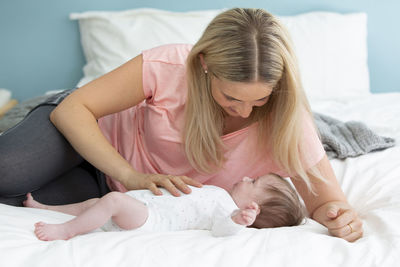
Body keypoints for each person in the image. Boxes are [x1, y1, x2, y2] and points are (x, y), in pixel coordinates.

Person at [0, 8, 363, 242]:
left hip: (111, 191)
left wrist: (339, 217)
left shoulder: (288, 120)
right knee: (6, 171)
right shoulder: (171, 65)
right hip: (82, 136)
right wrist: (130, 176)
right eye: (232, 97)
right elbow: (73, 111)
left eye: (260, 99)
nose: (244, 111)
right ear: (204, 65)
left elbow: (327, 202)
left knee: (20, 202)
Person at [24, 173, 306, 241]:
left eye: (253, 181)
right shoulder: (220, 192)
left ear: (252, 207)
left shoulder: (228, 212)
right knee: (95, 203)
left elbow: (223, 230)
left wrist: (238, 220)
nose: (245, 176)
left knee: (111, 200)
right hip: (147, 204)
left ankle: (65, 230)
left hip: (151, 219)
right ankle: (47, 208)